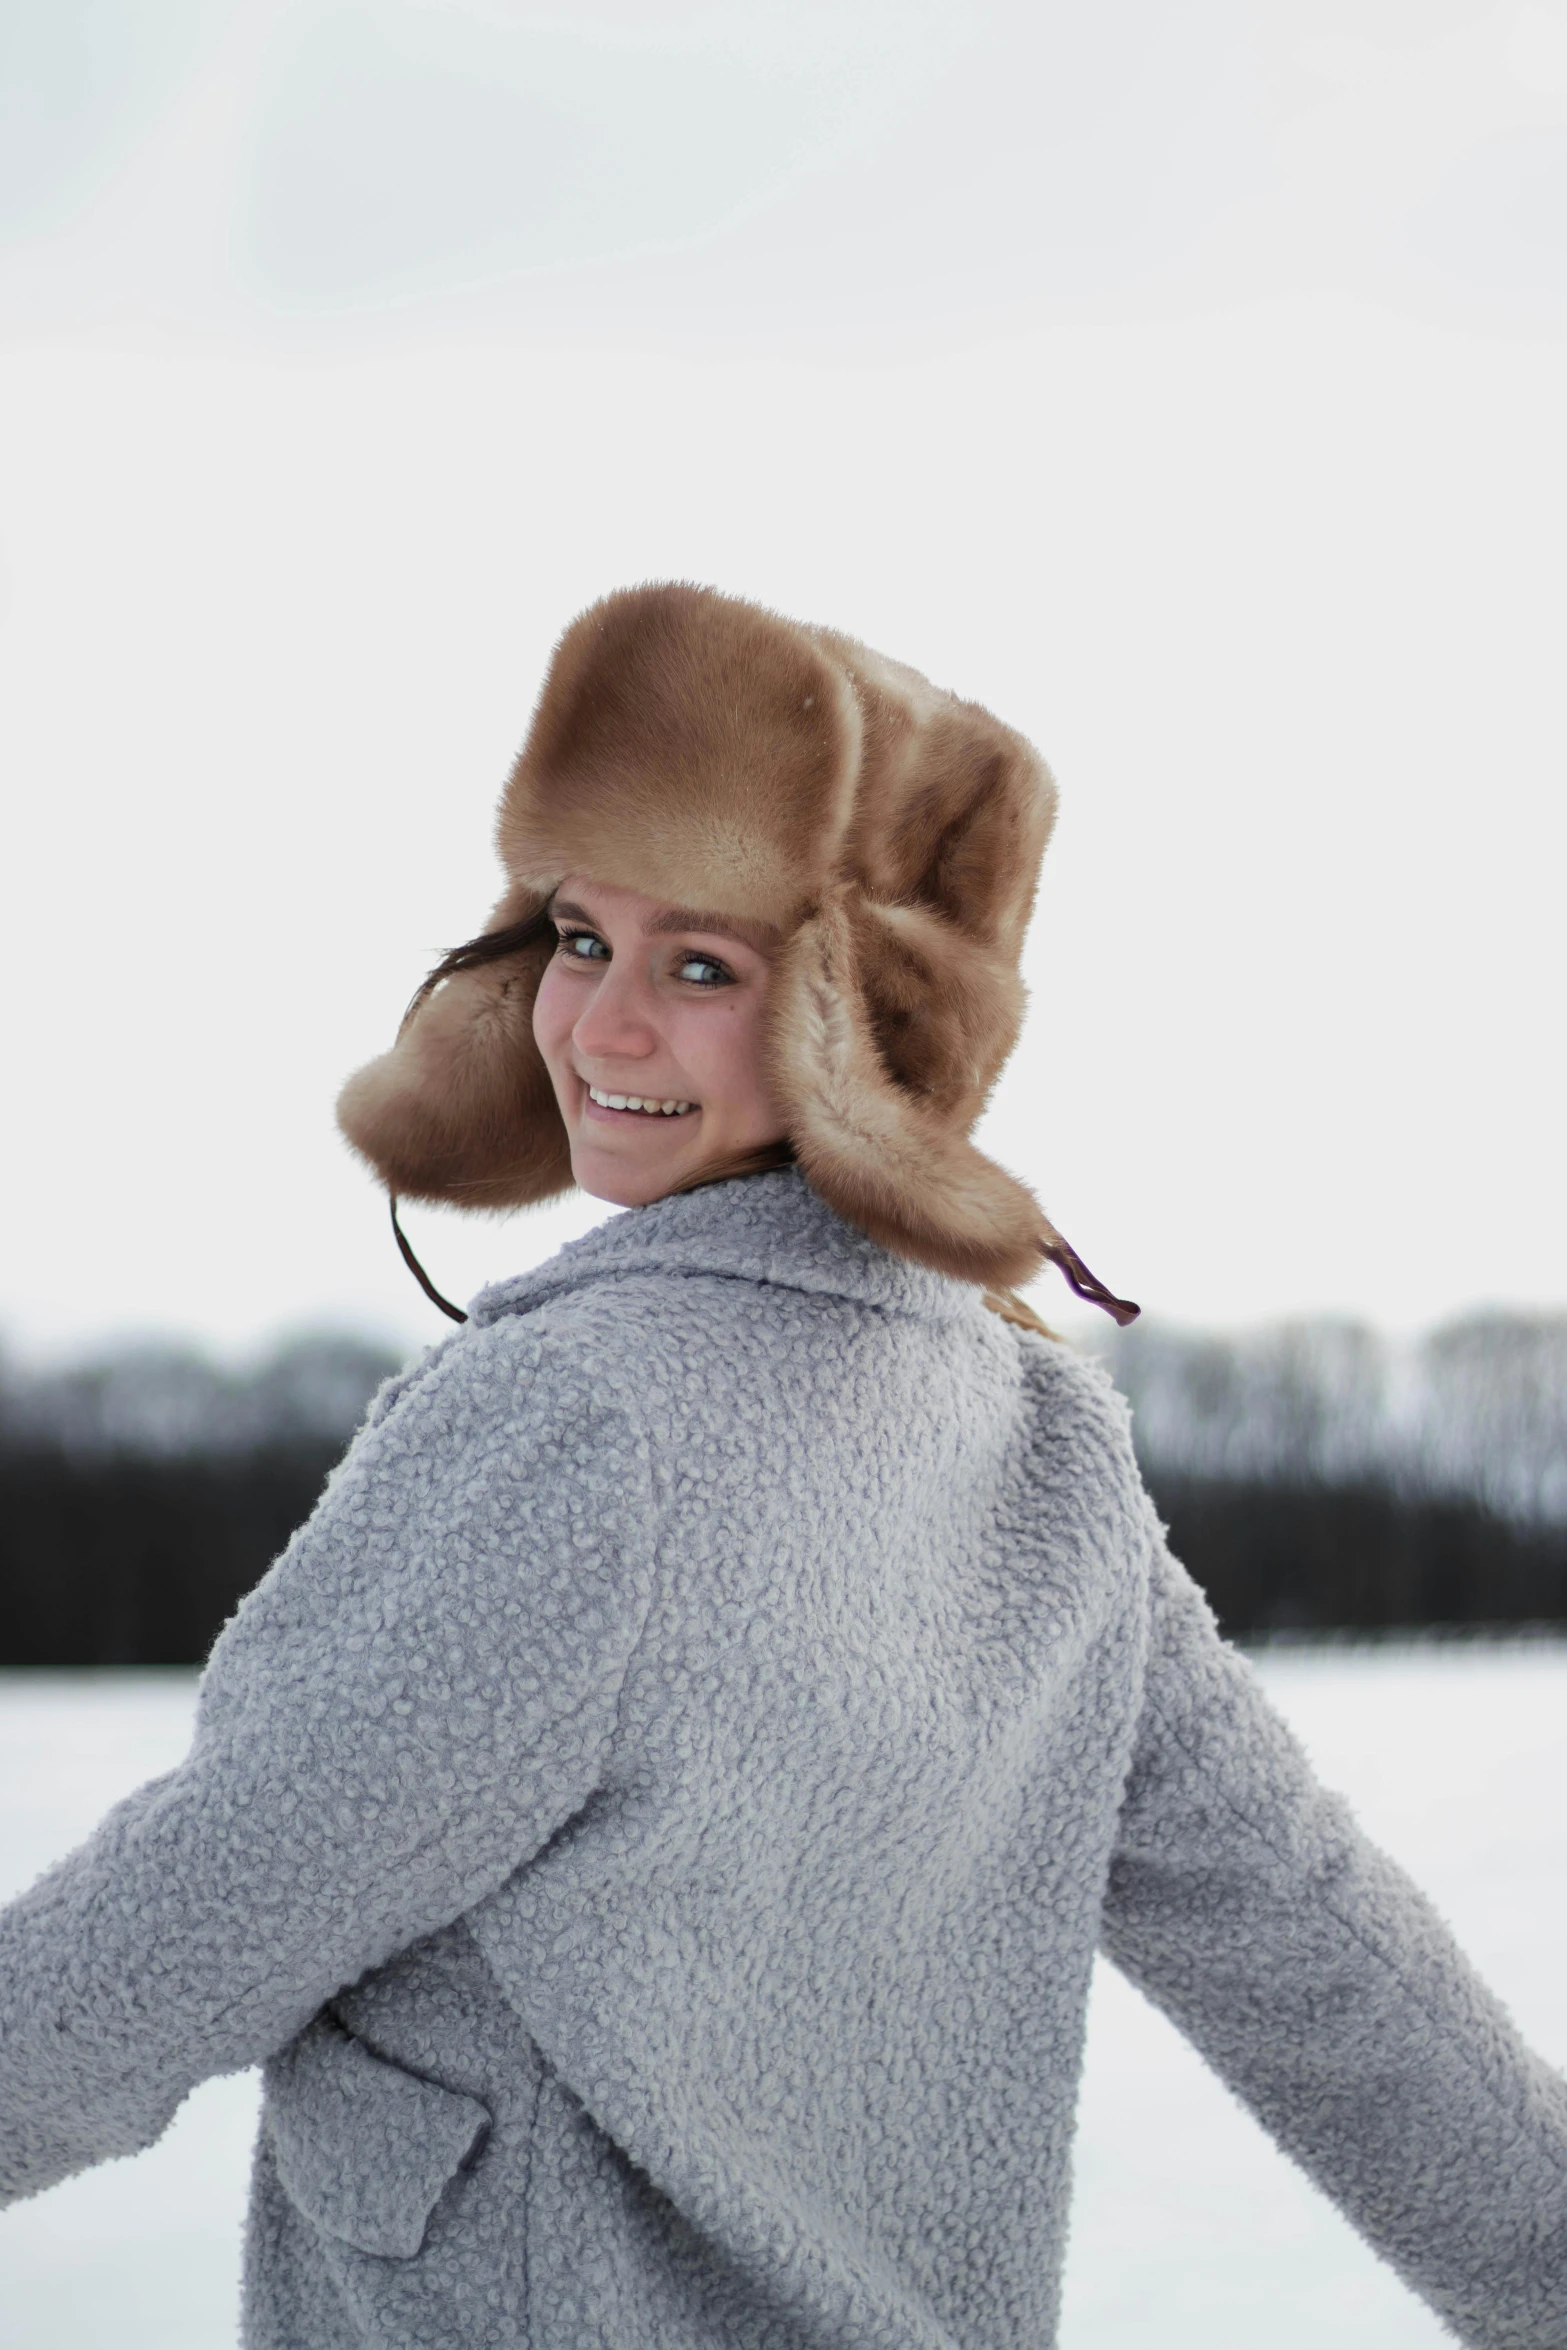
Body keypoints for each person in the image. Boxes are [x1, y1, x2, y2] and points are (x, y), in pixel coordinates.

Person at [0, 582, 1562, 2350]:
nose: (597, 1028)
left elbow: (182, 1929)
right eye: (580, 937)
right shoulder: (1034, 1434)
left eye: (705, 965)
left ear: (864, 1022)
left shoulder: (576, 1425)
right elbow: (1329, 1968)